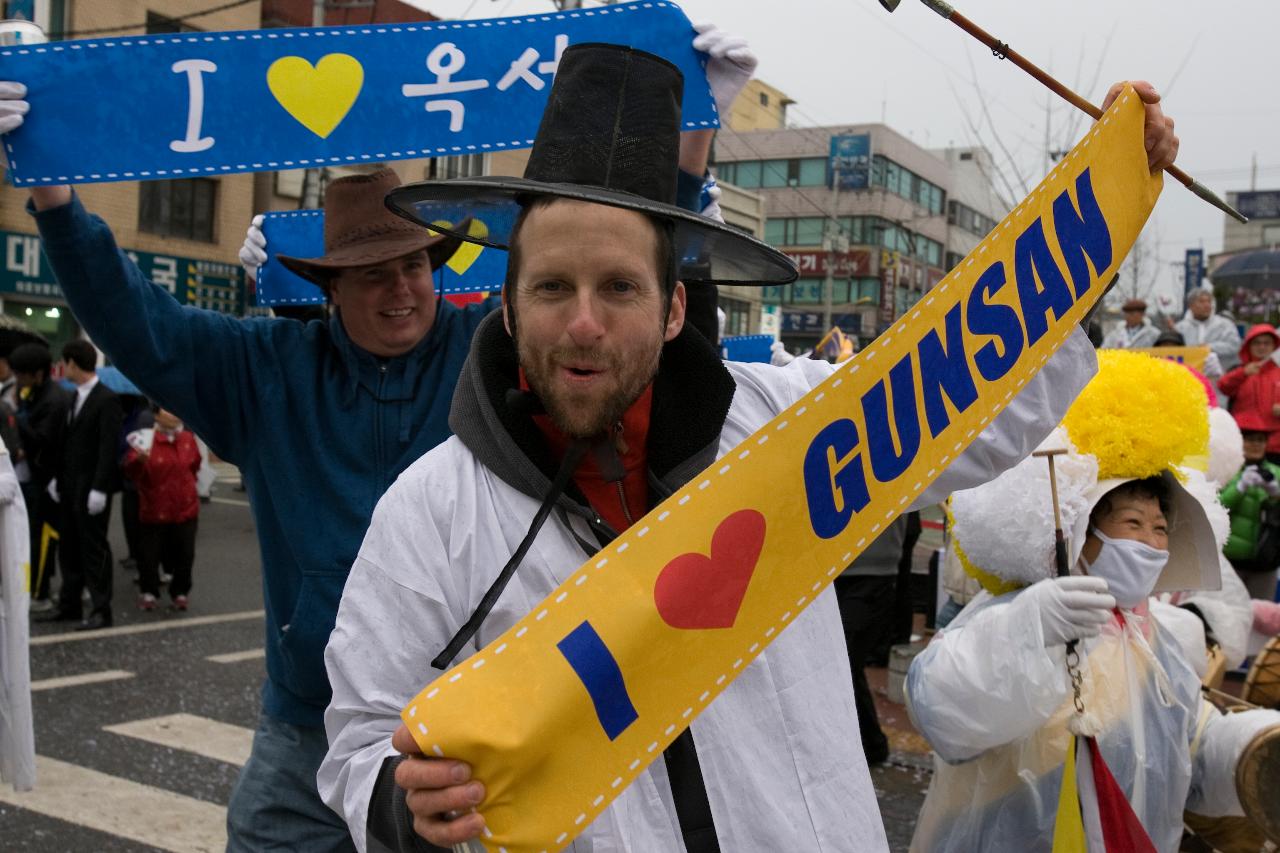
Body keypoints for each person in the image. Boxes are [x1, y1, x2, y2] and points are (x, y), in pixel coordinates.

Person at [316, 46, 1179, 853]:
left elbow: (981, 408)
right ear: (507, 304)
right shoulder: (432, 511)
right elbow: (358, 738)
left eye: (619, 286)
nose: (582, 322)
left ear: (673, 309)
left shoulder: (788, 430)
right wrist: (400, 799)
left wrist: (1095, 215)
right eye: (551, 287)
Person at [0, 23, 760, 850]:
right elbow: (136, 323)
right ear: (330, 288)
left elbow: (643, 336)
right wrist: (54, 191)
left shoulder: (497, 353)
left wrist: (686, 164)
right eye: (372, 272)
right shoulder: (266, 373)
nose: (401, 289)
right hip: (302, 738)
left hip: (476, 739)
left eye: (414, 266)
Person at [908, 351, 1280, 851]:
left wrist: (1247, 749)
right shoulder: (1016, 614)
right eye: (1132, 524)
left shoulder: (1153, 638)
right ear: (1084, 531)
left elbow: (1184, 746)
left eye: (1161, 529)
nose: (1150, 544)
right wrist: (1029, 630)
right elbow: (943, 710)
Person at [48, 339, 122, 630]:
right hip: (68, 484)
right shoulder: (73, 397)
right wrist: (56, 476)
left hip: (91, 486)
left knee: (94, 549)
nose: (63, 368)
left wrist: (100, 488)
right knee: (68, 546)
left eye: (65, 363)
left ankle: (102, 609)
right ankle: (70, 603)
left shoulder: (107, 399)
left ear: (74, 364)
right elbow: (66, 443)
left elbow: (108, 447)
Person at [10, 343, 70, 612]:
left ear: (37, 374)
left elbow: (43, 439)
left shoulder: (54, 399)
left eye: (21, 374)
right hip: (32, 476)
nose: (17, 379)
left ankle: (40, 591)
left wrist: (17, 415)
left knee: (41, 538)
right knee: (27, 534)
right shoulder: (32, 392)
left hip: (47, 480)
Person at [123, 407, 201, 611]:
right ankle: (149, 591)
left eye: (176, 411)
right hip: (155, 507)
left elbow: (195, 465)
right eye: (168, 411)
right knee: (149, 554)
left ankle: (180, 592)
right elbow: (132, 471)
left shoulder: (187, 439)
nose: (174, 415)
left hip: (185, 507)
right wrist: (138, 462)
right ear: (156, 415)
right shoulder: (145, 439)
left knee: (185, 554)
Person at [1221, 413, 1280, 601]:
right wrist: (1240, 487)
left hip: (1265, 562)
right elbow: (1219, 506)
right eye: (1250, 439)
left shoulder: (1276, 472)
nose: (1255, 445)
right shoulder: (1228, 470)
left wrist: (1275, 495)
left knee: (1261, 619)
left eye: (1260, 440)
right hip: (1231, 561)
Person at [1220, 324, 1280, 460]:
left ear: (1273, 347)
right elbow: (1223, 386)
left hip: (1276, 445)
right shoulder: (1240, 370)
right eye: (1257, 343)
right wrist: (1243, 373)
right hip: (1243, 443)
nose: (1262, 347)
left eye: (1267, 343)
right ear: (1249, 346)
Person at [1177, 286, 1241, 376]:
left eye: (1209, 301)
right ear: (1191, 306)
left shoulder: (1225, 325)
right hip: (1188, 378)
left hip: (1219, 378)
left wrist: (1210, 348)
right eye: (1201, 301)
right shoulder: (1181, 328)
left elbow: (1234, 346)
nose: (1207, 305)